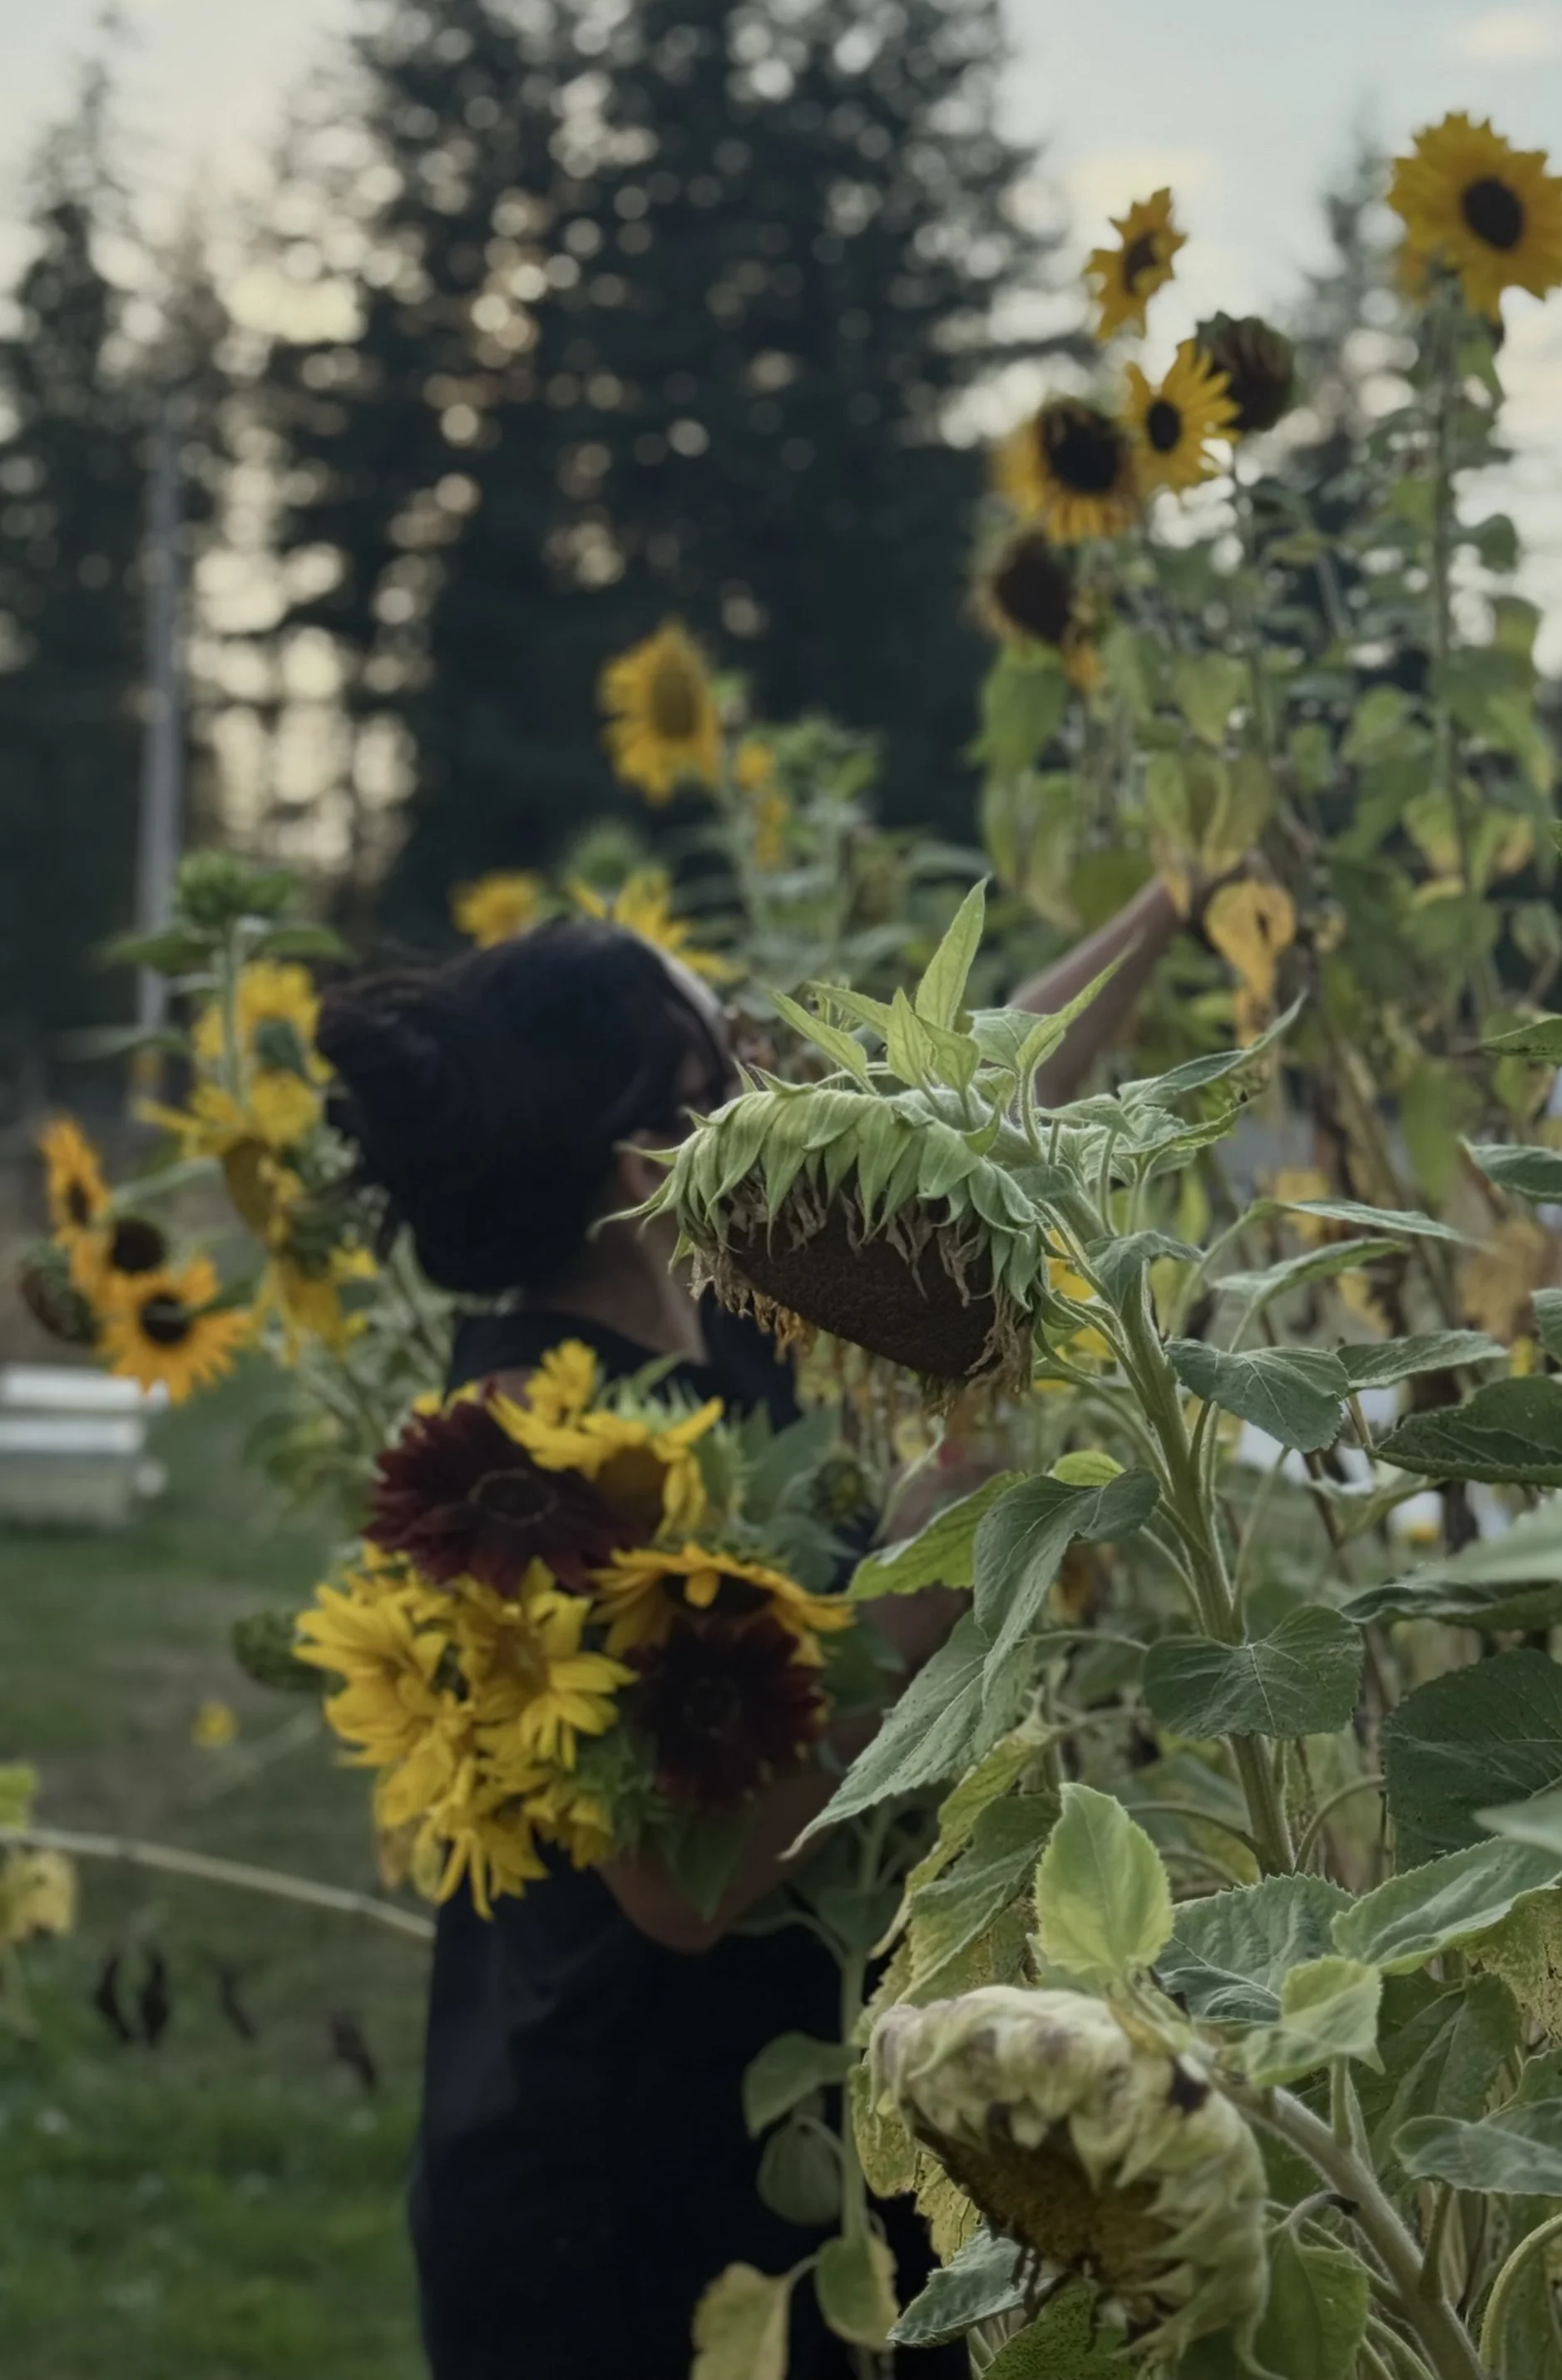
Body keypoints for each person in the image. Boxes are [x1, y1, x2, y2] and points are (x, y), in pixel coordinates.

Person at [317, 880, 1179, 2380]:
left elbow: (970, 1125)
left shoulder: (724, 1310)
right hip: (624, 2200)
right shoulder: (520, 1464)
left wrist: (1166, 903)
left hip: (814, 2125)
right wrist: (918, 1584)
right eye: (729, 1037)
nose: (781, 1071)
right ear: (666, 1128)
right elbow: (676, 1890)